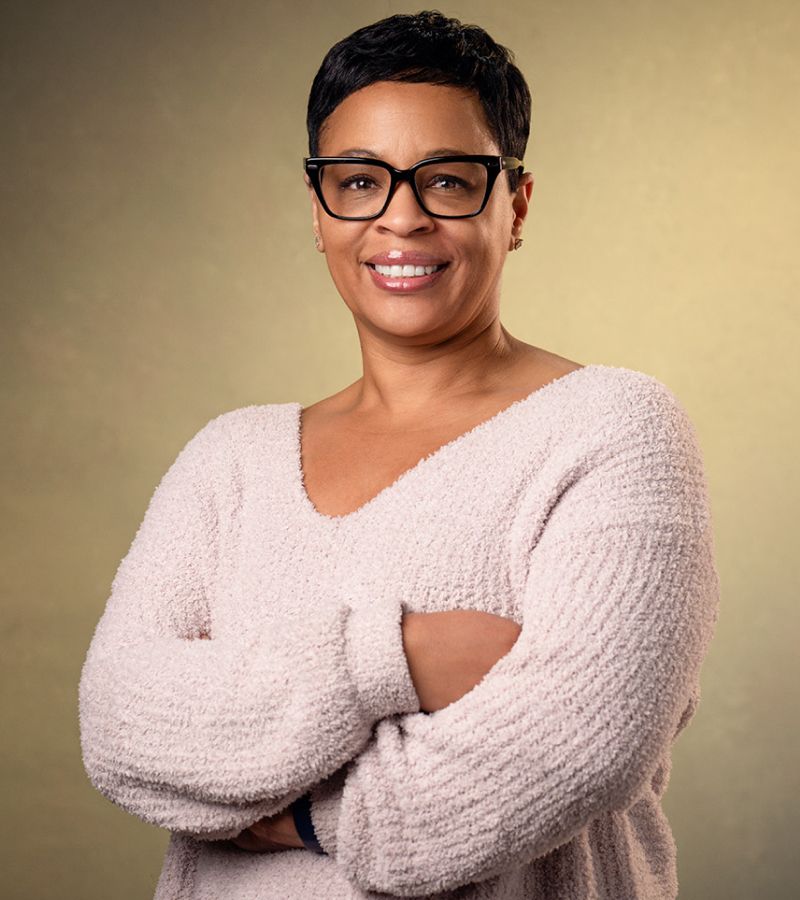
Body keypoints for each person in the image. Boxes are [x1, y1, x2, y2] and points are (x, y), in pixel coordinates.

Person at [78, 9, 721, 900]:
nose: (402, 218)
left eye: (449, 182)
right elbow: (121, 722)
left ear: (516, 205)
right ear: (319, 209)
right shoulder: (229, 461)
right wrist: (398, 657)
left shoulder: (613, 430)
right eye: (359, 181)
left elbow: (579, 745)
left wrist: (298, 816)